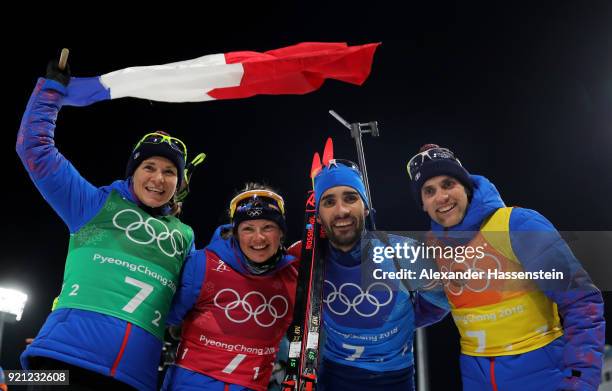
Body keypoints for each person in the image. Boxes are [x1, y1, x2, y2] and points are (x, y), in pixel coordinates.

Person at [16, 58, 196, 390]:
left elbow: (177, 310)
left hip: (132, 377)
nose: (158, 178)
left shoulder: (183, 236)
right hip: (58, 363)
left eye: (170, 172)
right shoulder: (94, 205)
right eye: (149, 167)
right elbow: (34, 149)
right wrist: (50, 93)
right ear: (133, 172)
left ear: (179, 182)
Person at [407, 144, 605, 390]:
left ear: (465, 187)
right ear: (423, 204)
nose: (442, 197)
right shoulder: (434, 247)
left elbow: (581, 302)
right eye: (429, 191)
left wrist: (581, 377)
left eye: (449, 184)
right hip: (476, 379)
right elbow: (434, 303)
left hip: (543, 377)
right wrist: (378, 315)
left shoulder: (517, 225)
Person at [310, 157, 449, 391]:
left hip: (394, 379)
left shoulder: (404, 253)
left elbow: (438, 303)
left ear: (365, 206)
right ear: (318, 214)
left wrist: (401, 320)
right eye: (329, 201)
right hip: (332, 378)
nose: (341, 210)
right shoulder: (308, 257)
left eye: (350, 198)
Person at [162, 183, 299, 391]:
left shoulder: (293, 274)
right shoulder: (204, 264)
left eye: (268, 227)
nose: (258, 238)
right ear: (235, 232)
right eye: (248, 229)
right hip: (191, 384)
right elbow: (165, 319)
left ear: (281, 232)